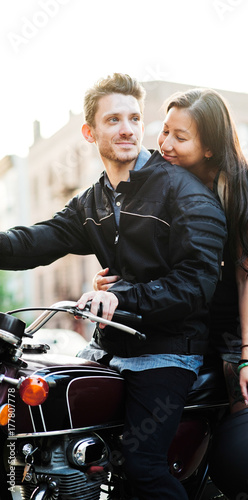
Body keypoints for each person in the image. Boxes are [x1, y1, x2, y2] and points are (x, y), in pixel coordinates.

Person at [0, 74, 227, 499]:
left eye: (135, 118)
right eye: (113, 119)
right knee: (49, 437)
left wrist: (119, 295)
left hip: (168, 350)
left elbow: (197, 283)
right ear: (90, 132)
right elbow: (35, 241)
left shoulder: (183, 191)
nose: (127, 128)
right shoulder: (94, 201)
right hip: (110, 348)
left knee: (141, 466)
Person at [94, 87, 248, 414]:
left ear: (210, 148)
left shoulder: (243, 189)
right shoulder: (163, 181)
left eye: (180, 137)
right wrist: (111, 286)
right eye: (164, 131)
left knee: (247, 433)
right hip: (199, 323)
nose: (166, 144)